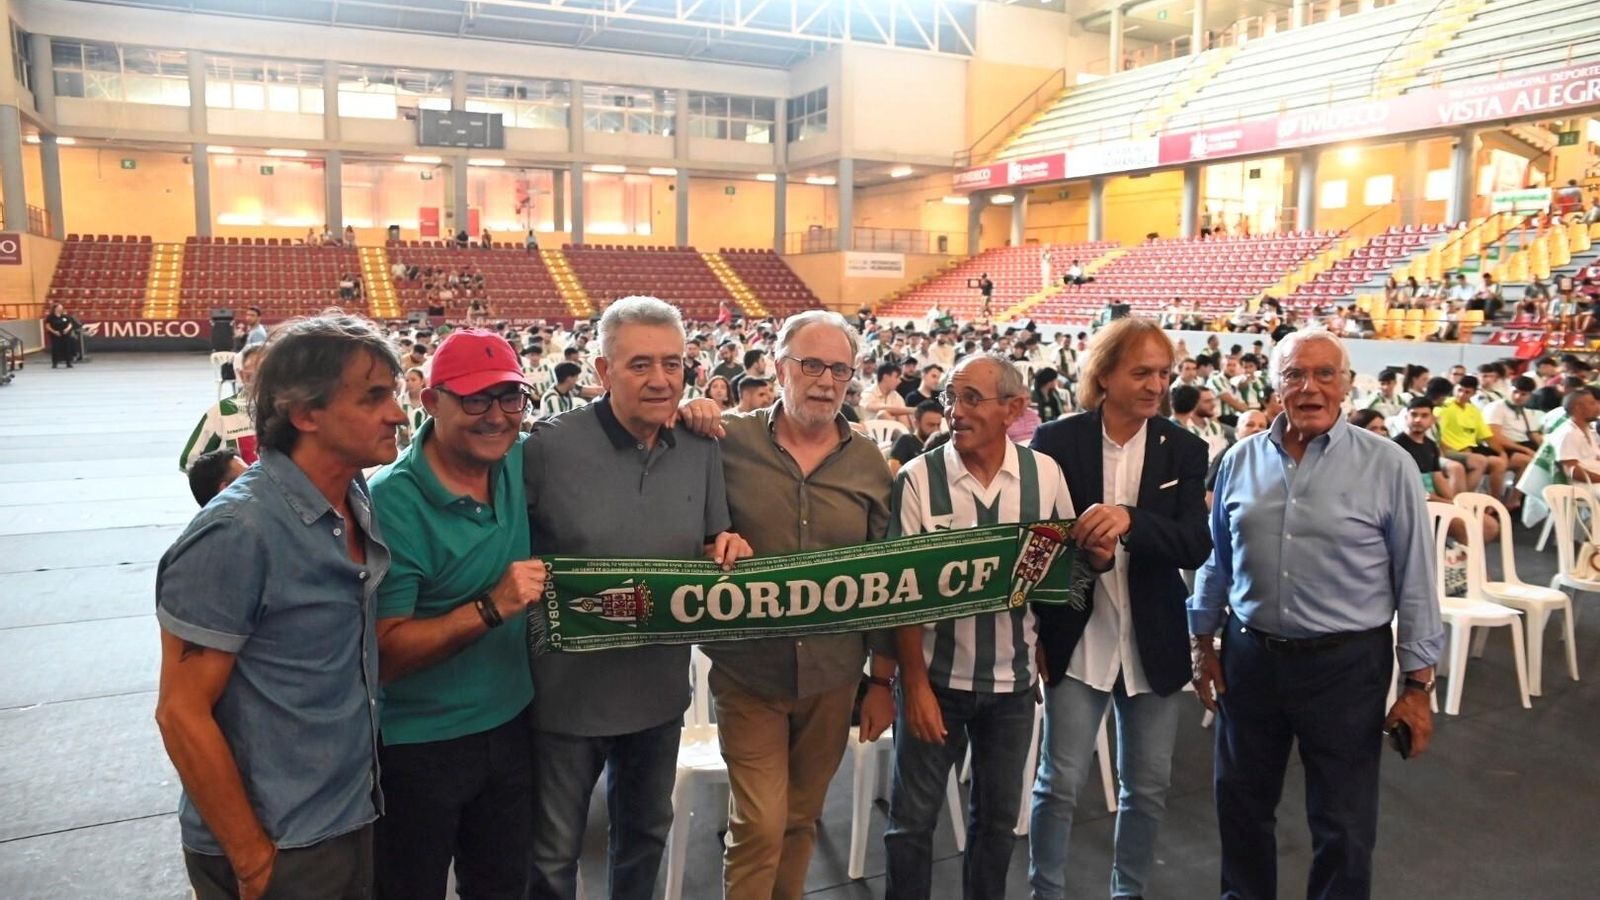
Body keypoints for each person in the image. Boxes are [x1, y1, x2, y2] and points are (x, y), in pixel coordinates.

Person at [155, 314, 407, 900]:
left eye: (393, 394)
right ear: (305, 413)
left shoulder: (352, 494)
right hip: (278, 844)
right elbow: (180, 712)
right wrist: (252, 860)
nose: (396, 413)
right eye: (374, 397)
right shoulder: (237, 533)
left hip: (349, 814)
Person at [1190, 329, 1442, 900]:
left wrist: (1419, 684)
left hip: (1346, 667)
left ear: (1347, 385)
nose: (1310, 388)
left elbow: (1418, 582)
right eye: (1295, 375)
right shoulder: (1240, 460)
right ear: (1276, 386)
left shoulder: (1389, 466)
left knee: (1344, 824)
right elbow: (1216, 560)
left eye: (1325, 374)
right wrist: (1202, 640)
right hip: (1251, 659)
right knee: (1241, 805)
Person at [522, 298, 749, 900]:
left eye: (673, 364)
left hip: (657, 690)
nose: (660, 380)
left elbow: (710, 545)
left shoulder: (701, 447)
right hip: (565, 697)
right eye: (640, 364)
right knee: (551, 857)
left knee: (645, 837)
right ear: (601, 370)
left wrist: (724, 549)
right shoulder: (546, 448)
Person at [684, 309, 894, 900]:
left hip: (832, 675)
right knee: (759, 825)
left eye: (839, 369)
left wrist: (882, 680)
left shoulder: (868, 464)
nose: (825, 381)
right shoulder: (724, 441)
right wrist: (688, 409)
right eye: (810, 365)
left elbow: (885, 578)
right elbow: (678, 511)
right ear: (779, 367)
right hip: (748, 669)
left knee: (801, 820)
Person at [884, 354, 1087, 900]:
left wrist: (1046, 640)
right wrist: (915, 685)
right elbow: (899, 596)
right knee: (911, 825)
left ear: (1013, 409)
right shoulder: (918, 479)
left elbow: (1059, 571)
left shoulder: (1044, 475)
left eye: (971, 398)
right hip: (935, 682)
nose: (955, 411)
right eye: (952, 398)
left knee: (997, 826)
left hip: (1013, 688)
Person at [1028, 318, 1212, 900]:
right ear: (1104, 375)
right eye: (1142, 372)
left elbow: (1195, 543)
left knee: (1148, 788)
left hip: (1152, 642)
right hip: (1078, 637)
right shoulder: (1058, 441)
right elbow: (1038, 541)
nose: (1157, 385)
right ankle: (1045, 891)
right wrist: (1096, 560)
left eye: (1164, 372)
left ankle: (1127, 892)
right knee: (1059, 785)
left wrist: (1132, 520)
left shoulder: (1185, 448)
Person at [369, 330, 548, 899]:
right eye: (475, 400)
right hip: (419, 746)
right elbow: (387, 654)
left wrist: (692, 412)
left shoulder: (519, 459)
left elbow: (614, 419)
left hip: (513, 723)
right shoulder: (391, 500)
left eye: (509, 398)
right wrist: (492, 607)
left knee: (502, 888)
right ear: (431, 401)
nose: (496, 417)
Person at [181, 344, 264, 472]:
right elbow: (190, 462)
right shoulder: (221, 412)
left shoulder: (292, 411)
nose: (260, 382)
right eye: (252, 376)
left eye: (267, 374)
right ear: (241, 376)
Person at [1173, 384, 1230, 465]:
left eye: (1212, 400)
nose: (1213, 404)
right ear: (1193, 404)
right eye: (1207, 401)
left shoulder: (1215, 426)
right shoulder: (1182, 429)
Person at [887, 399, 945, 474]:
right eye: (931, 425)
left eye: (938, 425)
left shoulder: (942, 443)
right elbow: (893, 473)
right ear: (916, 423)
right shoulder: (905, 441)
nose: (936, 429)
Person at [863, 362, 916, 426]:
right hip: (871, 432)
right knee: (883, 414)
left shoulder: (897, 396)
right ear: (885, 377)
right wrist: (911, 410)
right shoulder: (868, 393)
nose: (900, 381)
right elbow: (880, 408)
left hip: (895, 433)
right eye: (897, 377)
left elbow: (904, 421)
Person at [44, 303, 75, 368]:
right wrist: (54, 332)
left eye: (61, 307)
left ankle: (68, 362)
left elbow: (70, 324)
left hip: (65, 334)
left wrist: (67, 329)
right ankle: (55, 363)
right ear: (55, 308)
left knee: (67, 348)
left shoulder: (65, 316)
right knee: (55, 348)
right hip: (55, 334)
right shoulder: (50, 317)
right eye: (59, 307)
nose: (61, 309)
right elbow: (47, 326)